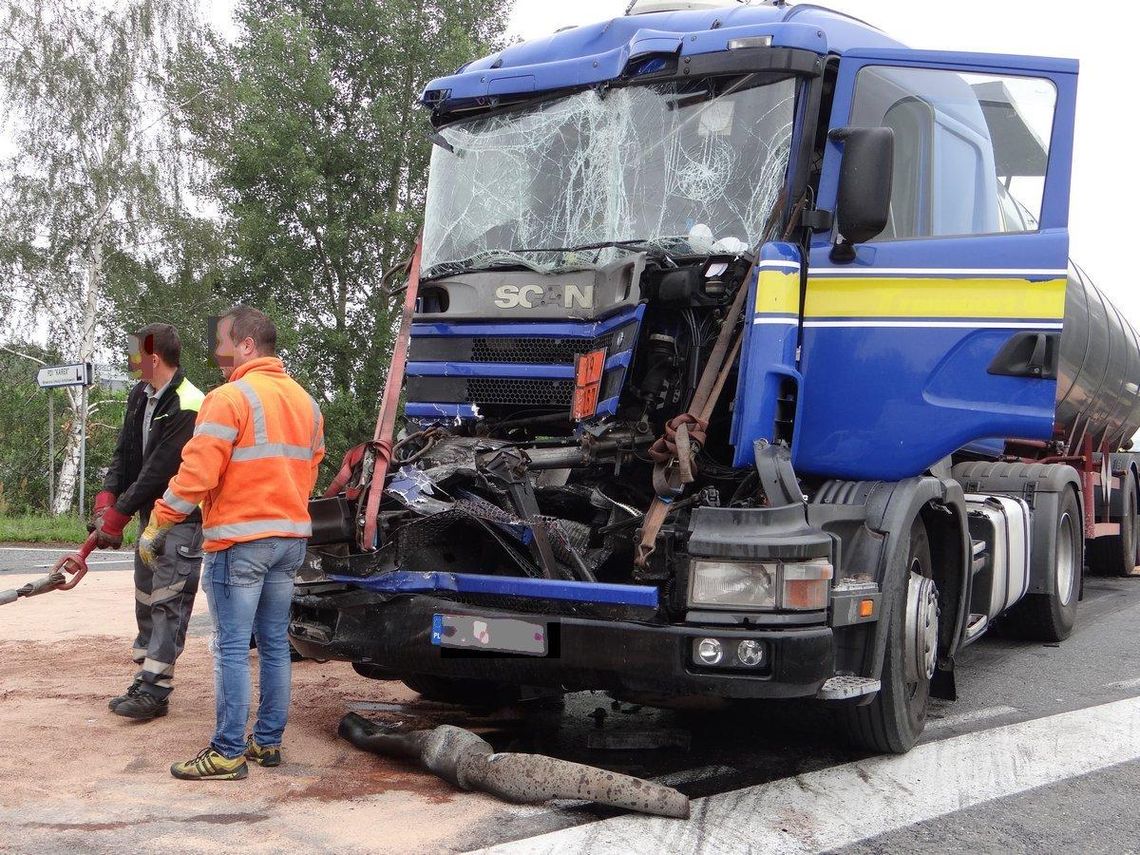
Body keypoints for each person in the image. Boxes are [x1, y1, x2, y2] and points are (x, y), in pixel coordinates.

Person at [139, 306, 324, 781]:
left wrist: (160, 522)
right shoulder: (307, 403)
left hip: (240, 541)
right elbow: (310, 469)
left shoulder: (229, 398)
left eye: (222, 340)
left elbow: (197, 473)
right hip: (289, 541)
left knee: (231, 648)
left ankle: (226, 752)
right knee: (276, 646)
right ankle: (266, 744)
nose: (216, 350)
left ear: (245, 344)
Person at [92, 323, 205, 720]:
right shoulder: (140, 394)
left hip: (182, 518)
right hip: (149, 516)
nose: (129, 360)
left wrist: (119, 513)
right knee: (146, 594)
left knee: (168, 600)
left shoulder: (190, 404)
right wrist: (107, 498)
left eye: (133, 354)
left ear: (152, 358)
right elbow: (125, 454)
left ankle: (155, 689)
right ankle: (147, 678)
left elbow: (159, 471)